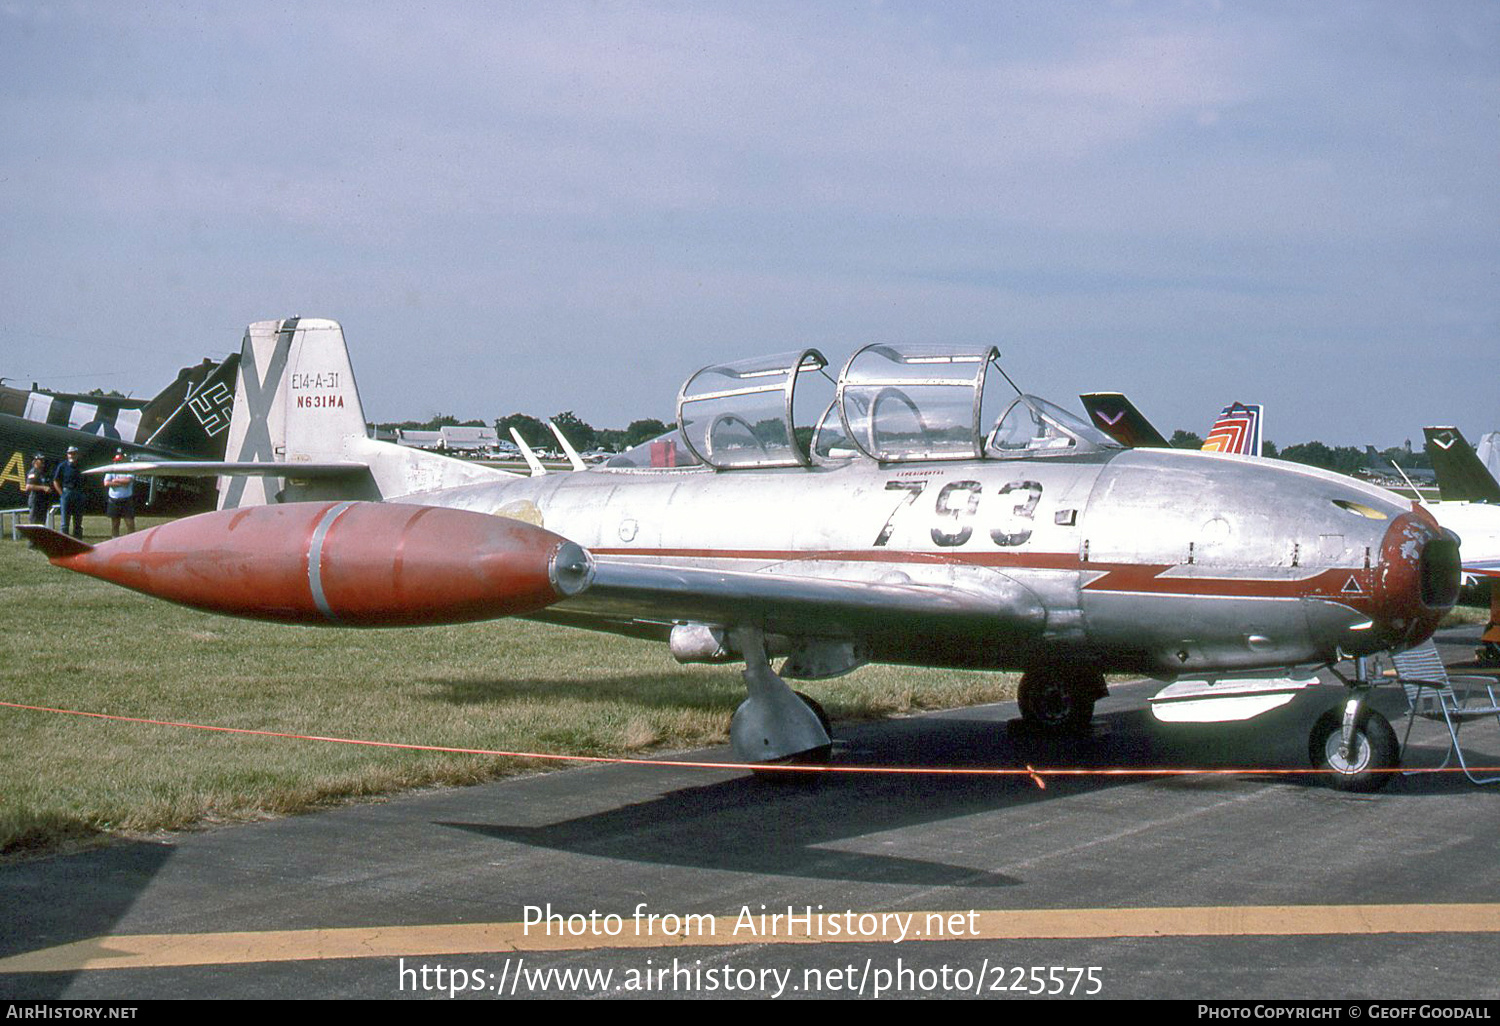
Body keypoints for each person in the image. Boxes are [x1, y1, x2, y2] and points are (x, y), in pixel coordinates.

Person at [52, 446, 86, 539]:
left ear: (77, 455)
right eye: (70, 453)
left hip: (79, 494)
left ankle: (78, 542)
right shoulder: (62, 466)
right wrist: (61, 494)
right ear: (67, 455)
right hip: (67, 493)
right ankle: (65, 543)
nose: (72, 455)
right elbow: (55, 481)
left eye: (74, 453)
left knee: (78, 521)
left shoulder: (81, 466)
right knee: (64, 523)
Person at [103, 449, 137, 538]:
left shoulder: (129, 469)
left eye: (120, 461)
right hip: (114, 500)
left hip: (126, 500)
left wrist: (115, 480)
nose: (118, 463)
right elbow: (106, 483)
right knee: (115, 524)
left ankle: (132, 541)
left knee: (130, 524)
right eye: (117, 461)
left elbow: (128, 481)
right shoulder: (111, 469)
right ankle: (114, 541)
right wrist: (121, 483)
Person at [22, 453, 52, 525]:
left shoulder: (43, 473)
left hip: (43, 502)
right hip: (36, 501)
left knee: (42, 524)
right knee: (35, 523)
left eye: (43, 460)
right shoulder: (33, 472)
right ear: (35, 461)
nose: (42, 462)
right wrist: (43, 488)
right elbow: (28, 486)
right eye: (40, 460)